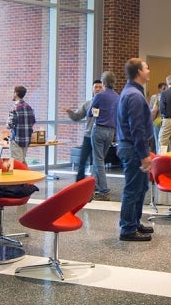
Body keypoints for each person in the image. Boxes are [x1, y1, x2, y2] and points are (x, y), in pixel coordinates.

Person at [116, 58, 156, 241]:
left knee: (140, 187)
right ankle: (128, 229)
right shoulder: (134, 95)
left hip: (132, 147)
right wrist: (144, 155)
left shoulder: (132, 92)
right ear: (139, 72)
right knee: (133, 189)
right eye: (146, 67)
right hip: (133, 148)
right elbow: (137, 128)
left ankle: (134, 222)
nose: (148, 70)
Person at [90, 71, 120, 201]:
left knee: (98, 161)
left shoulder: (99, 96)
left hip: (99, 129)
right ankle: (92, 186)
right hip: (111, 131)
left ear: (103, 83)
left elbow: (89, 112)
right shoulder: (118, 97)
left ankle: (103, 190)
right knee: (100, 159)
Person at [67, 79, 103, 182]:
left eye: (100, 87)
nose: (98, 89)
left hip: (99, 137)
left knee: (96, 162)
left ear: (104, 88)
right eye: (96, 87)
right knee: (82, 161)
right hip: (88, 136)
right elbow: (77, 117)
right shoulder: (88, 104)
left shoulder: (106, 104)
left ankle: (96, 183)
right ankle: (79, 184)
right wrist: (69, 112)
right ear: (92, 89)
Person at [7, 85, 36, 164]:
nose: (12, 94)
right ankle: (29, 175)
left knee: (17, 163)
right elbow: (33, 121)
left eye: (13, 92)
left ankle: (26, 176)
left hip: (17, 139)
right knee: (22, 161)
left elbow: (10, 125)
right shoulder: (29, 107)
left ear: (16, 93)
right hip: (27, 139)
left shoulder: (15, 108)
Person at [149, 81, 166, 152]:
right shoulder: (155, 97)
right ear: (159, 89)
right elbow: (152, 109)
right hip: (158, 121)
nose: (165, 90)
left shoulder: (165, 96)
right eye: (164, 88)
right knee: (158, 141)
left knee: (159, 142)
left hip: (161, 122)